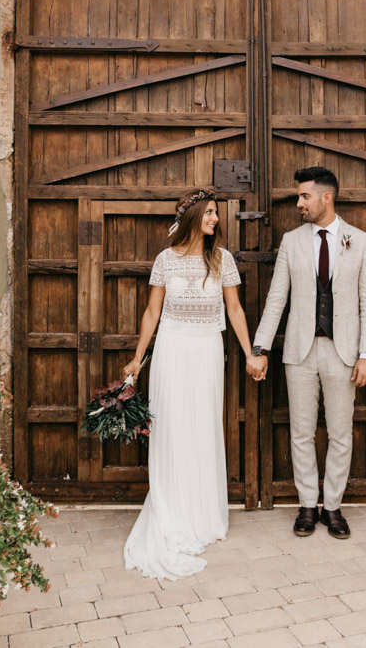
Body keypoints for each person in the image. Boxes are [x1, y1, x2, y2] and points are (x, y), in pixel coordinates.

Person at [121, 188, 266, 580]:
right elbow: (153, 311)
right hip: (171, 350)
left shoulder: (222, 260)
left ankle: (201, 513)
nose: (216, 219)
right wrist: (137, 358)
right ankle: (172, 511)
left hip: (205, 352)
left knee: (202, 427)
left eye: (216, 213)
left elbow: (234, 309)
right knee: (172, 428)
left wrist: (251, 353)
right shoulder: (165, 260)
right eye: (211, 213)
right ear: (193, 216)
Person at [248, 166, 366, 539]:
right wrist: (260, 348)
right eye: (298, 196)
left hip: (344, 353)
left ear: (327, 197)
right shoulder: (291, 241)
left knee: (341, 432)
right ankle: (308, 505)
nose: (299, 203)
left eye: (304, 196)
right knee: (301, 432)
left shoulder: (360, 240)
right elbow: (276, 300)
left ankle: (333, 507)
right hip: (300, 352)